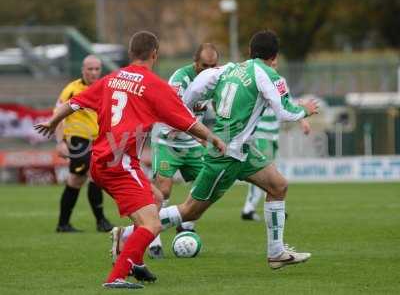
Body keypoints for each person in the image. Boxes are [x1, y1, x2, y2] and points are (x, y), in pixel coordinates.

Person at [113, 30, 319, 270]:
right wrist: (305, 109)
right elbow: (286, 113)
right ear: (275, 57)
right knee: (190, 211)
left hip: (242, 148)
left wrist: (185, 115)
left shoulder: (229, 69)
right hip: (226, 153)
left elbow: (193, 91)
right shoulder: (269, 75)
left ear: (251, 52)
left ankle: (276, 253)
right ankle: (127, 234)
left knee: (278, 185)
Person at [35, 31, 226, 289]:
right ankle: (117, 275)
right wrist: (212, 138)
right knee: (152, 223)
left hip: (104, 159)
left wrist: (53, 121)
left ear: (130, 53)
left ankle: (135, 261)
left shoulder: (111, 79)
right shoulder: (154, 85)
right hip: (119, 162)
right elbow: (188, 121)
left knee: (157, 199)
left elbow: (75, 103)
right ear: (155, 54)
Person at [147, 43, 219, 258]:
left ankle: (185, 224)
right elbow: (173, 115)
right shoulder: (180, 79)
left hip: (191, 143)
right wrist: (204, 137)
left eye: (213, 65)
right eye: (204, 65)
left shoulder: (215, 78)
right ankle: (154, 240)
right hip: (167, 141)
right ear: (195, 62)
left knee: (209, 185)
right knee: (164, 190)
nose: (209, 70)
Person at [54, 55, 113, 233]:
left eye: (97, 69)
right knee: (93, 175)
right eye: (90, 69)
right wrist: (61, 142)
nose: (94, 72)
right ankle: (101, 221)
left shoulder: (105, 87)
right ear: (83, 70)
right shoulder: (72, 89)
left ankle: (63, 224)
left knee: (75, 180)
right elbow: (58, 114)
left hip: (98, 140)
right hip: (79, 140)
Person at [241, 104, 311, 221]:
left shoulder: (281, 87)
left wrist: (302, 121)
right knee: (262, 171)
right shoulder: (262, 85)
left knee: (270, 172)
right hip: (261, 134)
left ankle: (262, 208)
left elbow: (289, 105)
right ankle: (250, 209)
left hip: (273, 136)